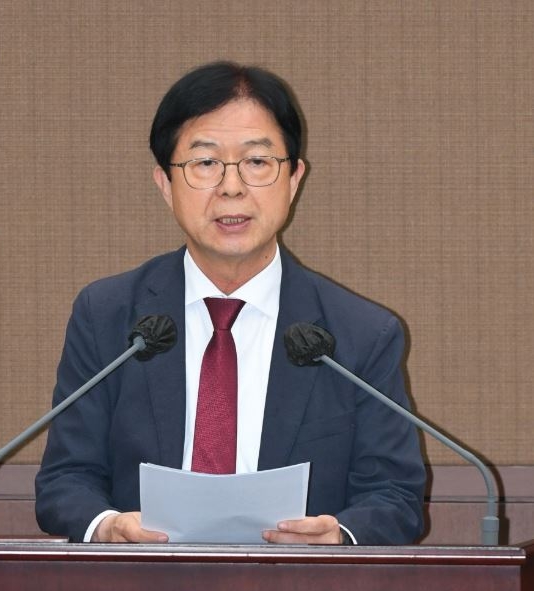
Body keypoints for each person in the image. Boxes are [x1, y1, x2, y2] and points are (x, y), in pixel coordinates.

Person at [35, 61, 426, 545]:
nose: (232, 186)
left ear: (294, 179)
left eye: (257, 161)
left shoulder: (361, 334)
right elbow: (64, 480)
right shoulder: (108, 316)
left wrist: (339, 538)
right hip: (143, 584)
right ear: (165, 184)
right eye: (205, 163)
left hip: (298, 588)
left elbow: (395, 497)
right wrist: (108, 527)